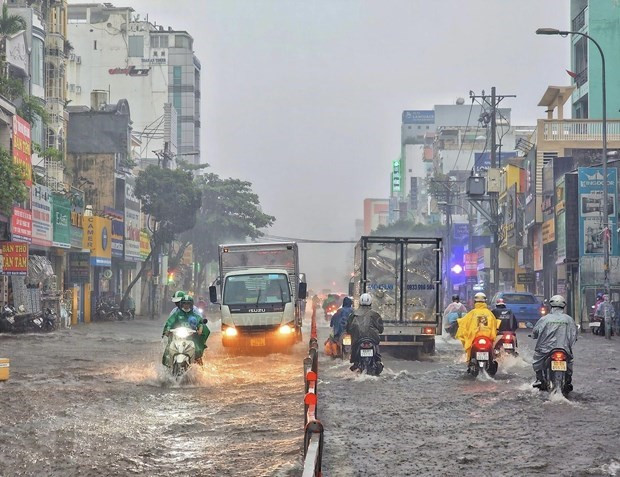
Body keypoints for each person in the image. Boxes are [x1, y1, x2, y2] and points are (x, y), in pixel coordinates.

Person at [532, 294, 578, 391]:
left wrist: (534, 336)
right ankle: (568, 379)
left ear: (551, 306)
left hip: (546, 350)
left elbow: (535, 332)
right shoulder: (569, 319)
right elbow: (574, 334)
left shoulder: (544, 319)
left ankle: (539, 379)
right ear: (563, 306)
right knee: (569, 361)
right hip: (564, 348)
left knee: (537, 360)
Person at [162, 294, 210, 366]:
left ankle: (197, 366)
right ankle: (167, 367)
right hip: (177, 337)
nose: (186, 305)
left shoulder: (194, 314)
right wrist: (167, 329)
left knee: (197, 350)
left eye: (188, 303)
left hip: (191, 337)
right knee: (169, 350)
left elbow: (200, 323)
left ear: (191, 304)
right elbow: (170, 322)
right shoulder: (176, 314)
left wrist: (200, 329)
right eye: (184, 303)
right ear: (182, 304)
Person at [455, 292, 500, 361]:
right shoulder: (489, 313)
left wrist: (458, 321)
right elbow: (495, 324)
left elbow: (463, 323)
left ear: (475, 301)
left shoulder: (472, 313)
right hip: (487, 339)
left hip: (474, 339)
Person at [346, 293, 384, 371]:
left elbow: (348, 329)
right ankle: (378, 360)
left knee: (354, 359)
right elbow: (381, 329)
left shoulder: (353, 314)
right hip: (372, 339)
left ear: (360, 302)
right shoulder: (375, 314)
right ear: (370, 303)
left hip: (357, 340)